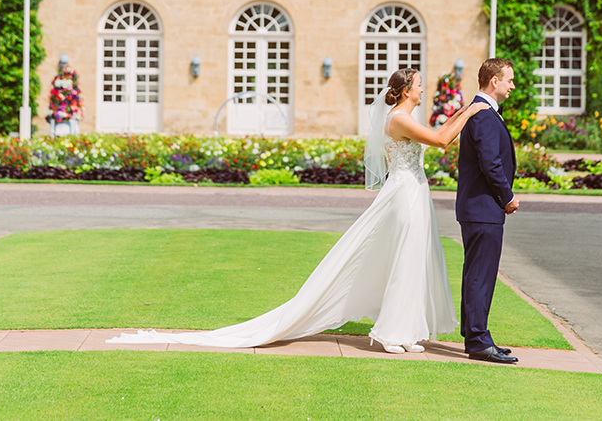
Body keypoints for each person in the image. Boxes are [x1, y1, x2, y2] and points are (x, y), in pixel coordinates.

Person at [108, 68, 490, 353]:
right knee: (403, 259)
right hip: (404, 195)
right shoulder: (400, 119)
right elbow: (441, 140)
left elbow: (439, 133)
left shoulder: (407, 117)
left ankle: (404, 332)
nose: (424, 88)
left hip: (414, 192)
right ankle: (391, 333)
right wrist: (472, 110)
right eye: (420, 83)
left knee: (411, 261)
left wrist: (466, 110)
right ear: (406, 90)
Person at [456, 58, 520, 365]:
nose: (512, 85)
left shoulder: (482, 111)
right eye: (509, 80)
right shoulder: (483, 115)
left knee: (476, 273)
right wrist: (506, 197)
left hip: (478, 208)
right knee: (481, 274)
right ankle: (479, 341)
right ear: (493, 81)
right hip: (483, 208)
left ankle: (475, 333)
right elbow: (490, 163)